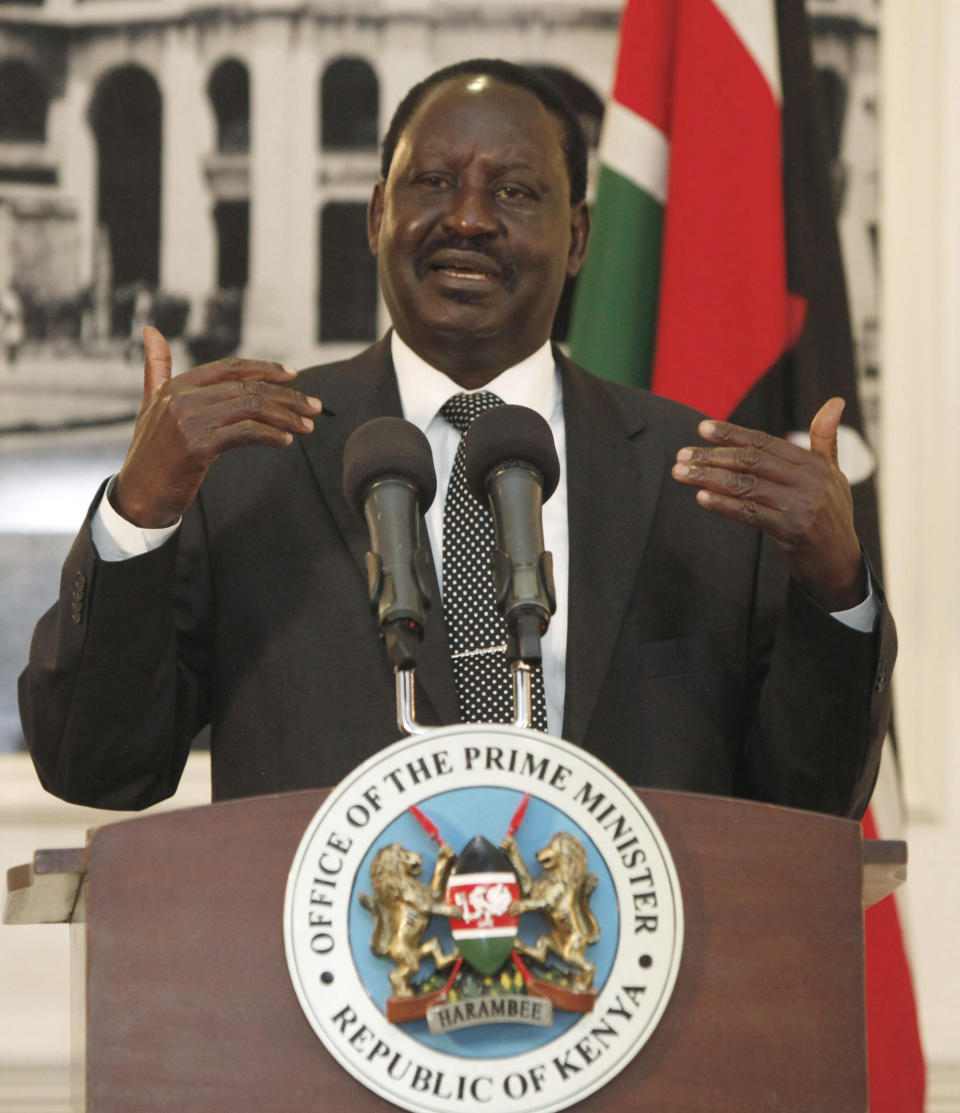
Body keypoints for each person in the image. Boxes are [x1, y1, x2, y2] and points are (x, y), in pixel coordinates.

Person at [19, 59, 893, 817]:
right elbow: (98, 765)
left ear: (579, 236)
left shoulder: (698, 482)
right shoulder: (250, 469)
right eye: (432, 183)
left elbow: (810, 802)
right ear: (375, 217)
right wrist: (140, 513)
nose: (468, 219)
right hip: (313, 994)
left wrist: (836, 588)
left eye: (513, 191)